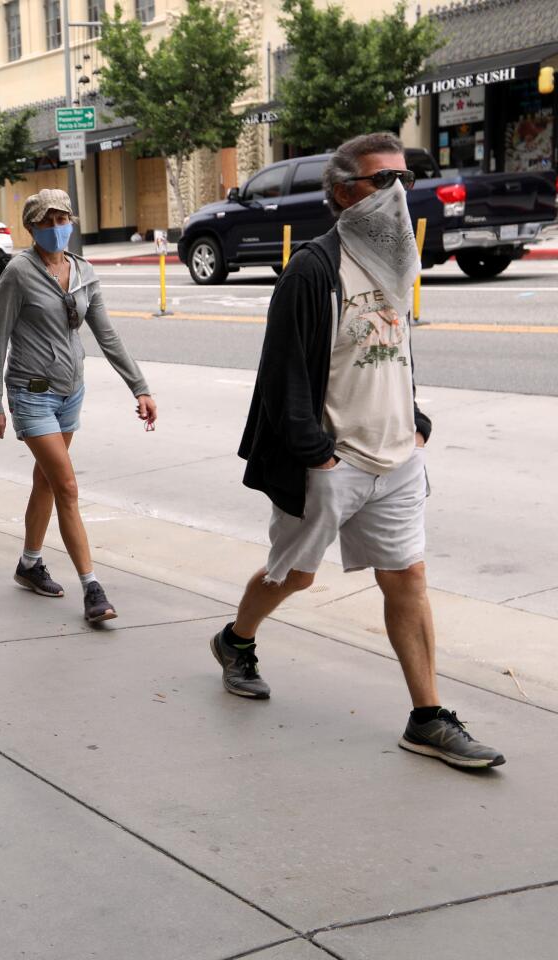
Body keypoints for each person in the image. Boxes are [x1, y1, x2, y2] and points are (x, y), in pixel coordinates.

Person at [213, 131, 504, 769]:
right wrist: (315, 452)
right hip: (332, 459)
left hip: (398, 455)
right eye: (383, 180)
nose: (397, 191)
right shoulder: (313, 270)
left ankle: (427, 717)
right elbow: (283, 373)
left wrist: (417, 417)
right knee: (295, 574)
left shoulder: (395, 259)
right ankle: (237, 641)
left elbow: (394, 350)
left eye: (403, 178)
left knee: (407, 578)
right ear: (345, 192)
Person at [0, 188, 157, 623]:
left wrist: (139, 387)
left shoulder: (82, 271)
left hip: (70, 393)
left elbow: (107, 335)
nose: (57, 227)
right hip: (31, 393)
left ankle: (28, 564)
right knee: (67, 487)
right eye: (47, 221)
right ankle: (92, 588)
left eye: (63, 219)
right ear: (32, 227)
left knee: (46, 481)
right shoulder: (18, 273)